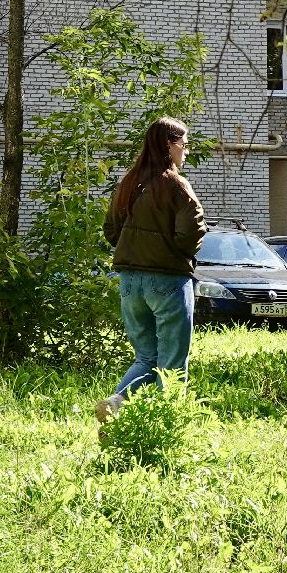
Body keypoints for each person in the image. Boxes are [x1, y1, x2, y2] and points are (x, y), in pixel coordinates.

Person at [95, 116, 205, 424]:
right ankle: (167, 425)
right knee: (172, 363)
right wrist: (171, 254)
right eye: (183, 144)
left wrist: (135, 250)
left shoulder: (128, 183)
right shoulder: (176, 185)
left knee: (147, 357)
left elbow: (110, 229)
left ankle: (117, 404)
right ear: (168, 146)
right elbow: (193, 232)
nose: (186, 150)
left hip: (130, 282)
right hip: (168, 281)